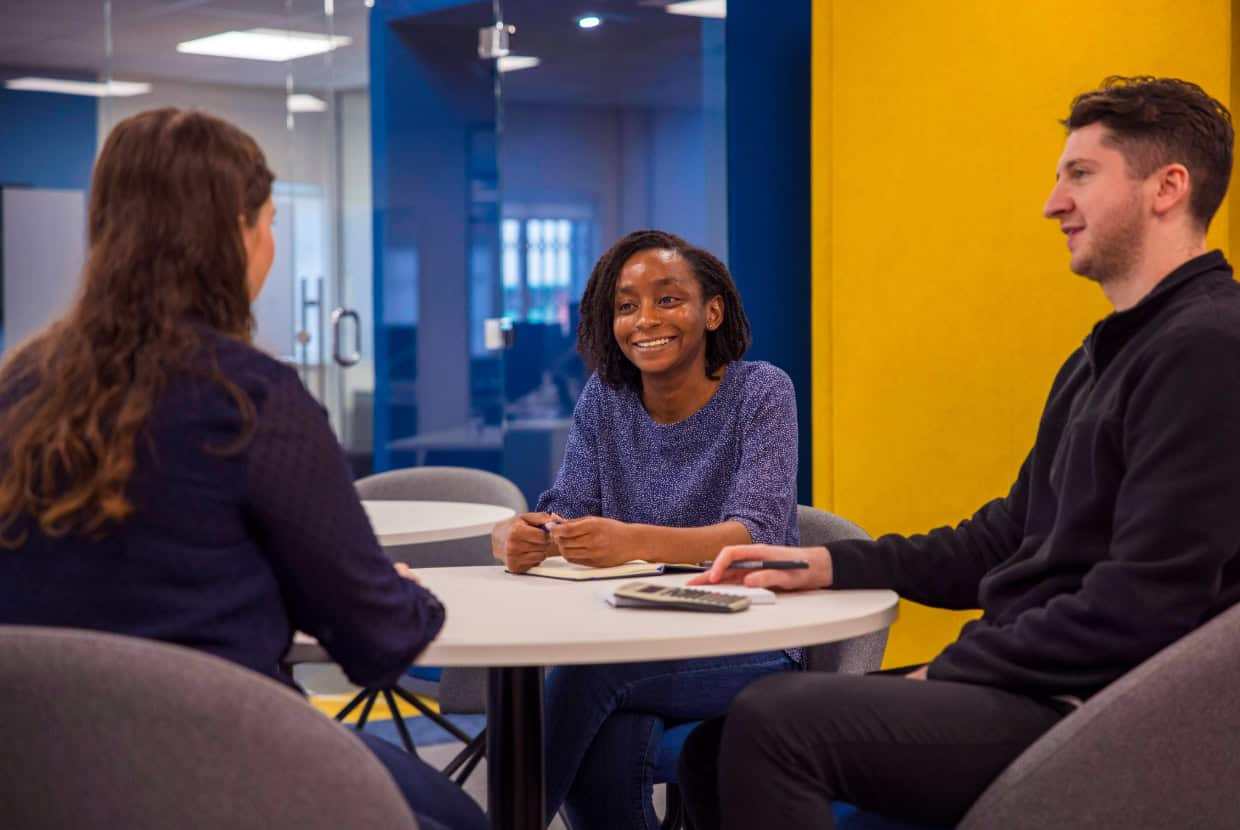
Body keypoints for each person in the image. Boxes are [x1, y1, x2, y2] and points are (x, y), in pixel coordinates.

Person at [679, 75, 1240, 829]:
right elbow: (1006, 536)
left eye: (1080, 174)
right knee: (711, 749)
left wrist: (945, 669)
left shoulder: (1206, 349)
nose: (1053, 203)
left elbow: (1146, 603)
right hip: (1033, 683)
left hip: (1094, 712)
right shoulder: (1109, 351)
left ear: (1167, 187)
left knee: (775, 724)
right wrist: (828, 564)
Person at [0, 108, 485, 830]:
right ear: (235, 233)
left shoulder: (21, 388)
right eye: (269, 220)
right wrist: (401, 592)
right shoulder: (249, 397)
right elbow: (379, 644)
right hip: (222, 766)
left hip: (45, 771)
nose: (272, 242)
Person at [490, 229, 800, 828]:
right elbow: (565, 507)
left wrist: (629, 539)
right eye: (626, 306)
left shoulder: (761, 393)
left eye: (667, 299)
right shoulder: (605, 401)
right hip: (632, 639)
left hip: (748, 641)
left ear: (712, 311)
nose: (644, 320)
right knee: (610, 741)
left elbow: (754, 532)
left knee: (589, 674)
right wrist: (518, 534)